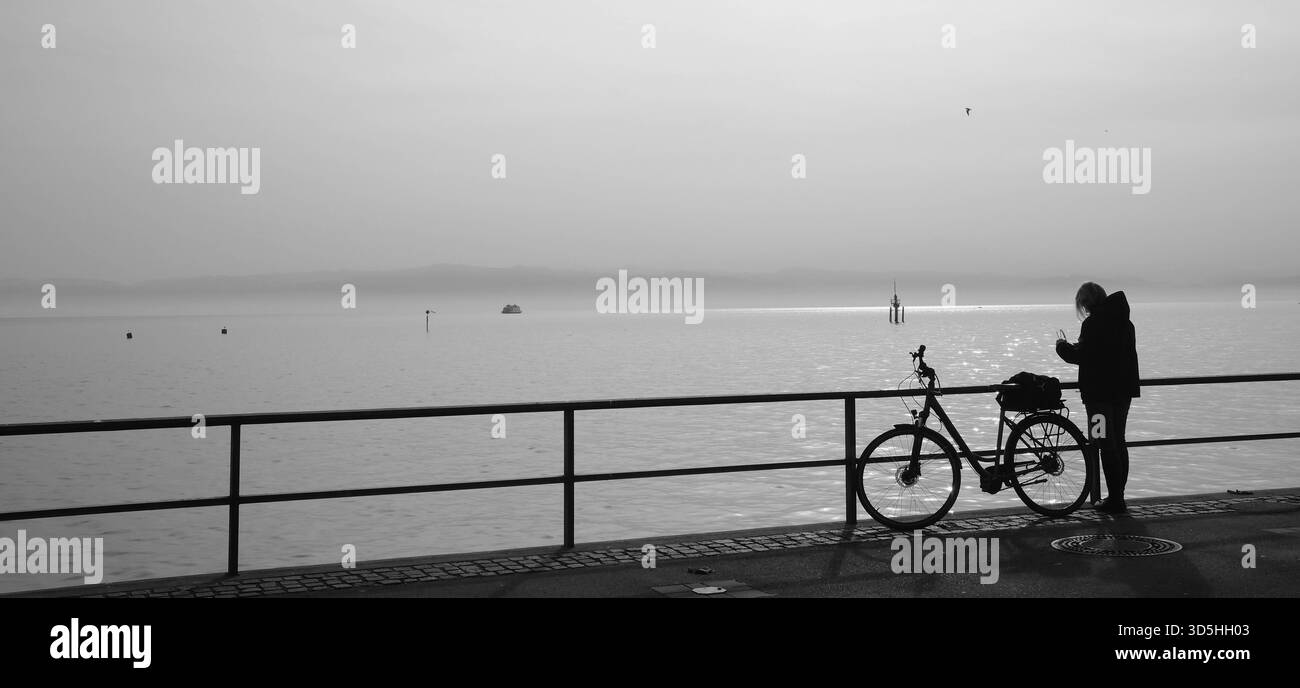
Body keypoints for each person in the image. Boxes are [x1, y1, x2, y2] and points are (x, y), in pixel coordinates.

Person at [1055, 282, 1139, 513]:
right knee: (1119, 442)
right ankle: (1118, 496)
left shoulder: (1092, 325)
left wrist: (1061, 346)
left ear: (1085, 303)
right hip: (1123, 393)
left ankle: (1114, 500)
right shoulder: (1125, 322)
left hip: (1097, 397)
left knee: (1104, 444)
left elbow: (1081, 356)